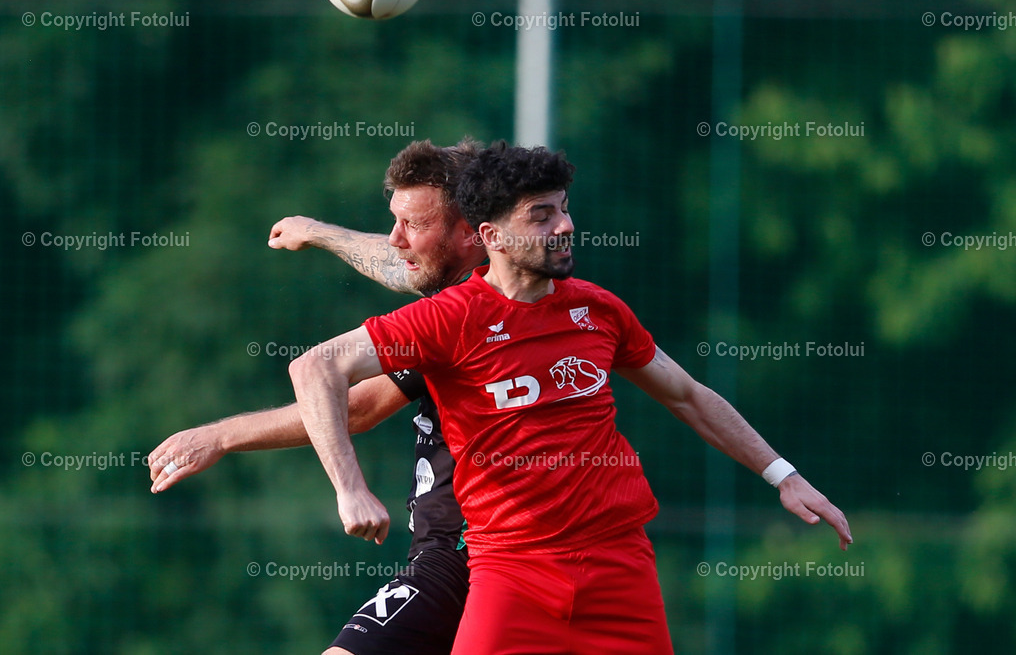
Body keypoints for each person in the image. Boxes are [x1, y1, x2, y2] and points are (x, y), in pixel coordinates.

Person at [290, 141, 853, 655]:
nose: (565, 225)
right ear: (491, 237)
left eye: (563, 208)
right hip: (511, 574)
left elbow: (688, 396)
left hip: (620, 569)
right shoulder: (448, 319)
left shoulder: (597, 309)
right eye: (541, 215)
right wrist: (350, 488)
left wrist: (784, 475)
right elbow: (315, 366)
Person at [147, 139, 486, 655]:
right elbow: (403, 262)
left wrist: (222, 436)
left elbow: (356, 406)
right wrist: (319, 232)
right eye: (395, 220)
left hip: (462, 556)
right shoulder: (473, 285)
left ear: (471, 233)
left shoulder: (465, 318)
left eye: (413, 224)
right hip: (460, 555)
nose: (395, 239)